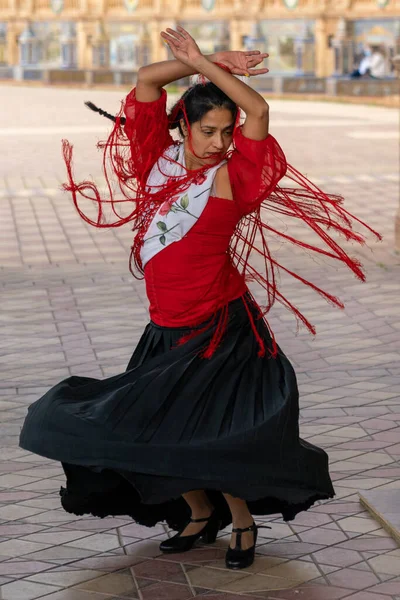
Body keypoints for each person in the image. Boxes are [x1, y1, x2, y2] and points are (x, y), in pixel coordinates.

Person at [19, 27, 381, 570]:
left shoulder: (234, 177)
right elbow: (145, 80)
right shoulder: (154, 162)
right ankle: (198, 512)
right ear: (184, 125)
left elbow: (257, 111)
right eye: (208, 130)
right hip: (165, 327)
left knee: (216, 437)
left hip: (220, 330)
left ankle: (241, 521)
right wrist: (204, 61)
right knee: (153, 431)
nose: (218, 142)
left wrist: (215, 71)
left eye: (225, 132)